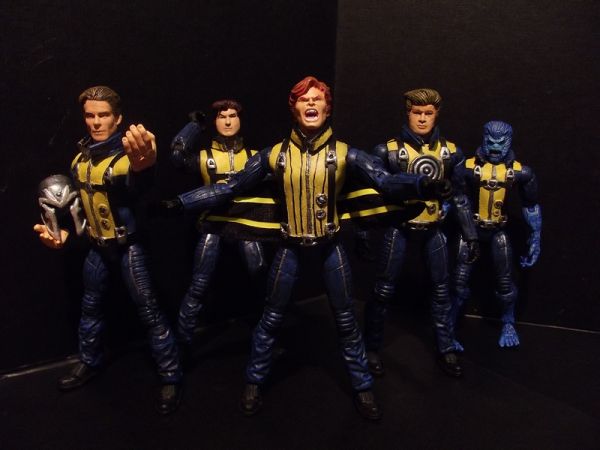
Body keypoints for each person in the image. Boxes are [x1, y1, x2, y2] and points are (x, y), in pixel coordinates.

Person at [162, 76, 447, 421]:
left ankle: (362, 385)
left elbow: (385, 181)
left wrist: (422, 184)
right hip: (290, 245)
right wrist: (182, 203)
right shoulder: (274, 155)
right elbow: (230, 188)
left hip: (330, 244)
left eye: (317, 98)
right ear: (294, 108)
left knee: (345, 318)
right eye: (303, 99)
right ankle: (254, 381)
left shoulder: (346, 153)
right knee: (271, 316)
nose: (310, 103)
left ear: (327, 108)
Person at [33, 86, 182, 414]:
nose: (96, 122)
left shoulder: (126, 160)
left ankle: (171, 374)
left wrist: (145, 165)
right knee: (90, 306)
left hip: (129, 247)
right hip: (97, 247)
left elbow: (139, 184)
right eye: (90, 115)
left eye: (103, 115)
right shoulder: (80, 161)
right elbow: (77, 210)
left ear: (118, 118)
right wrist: (62, 235)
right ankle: (89, 360)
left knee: (150, 311)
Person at [363, 88, 479, 378]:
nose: (423, 118)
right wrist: (363, 232)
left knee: (441, 290)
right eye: (417, 112)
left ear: (437, 114)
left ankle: (446, 347)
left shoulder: (450, 152)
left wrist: (471, 234)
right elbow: (369, 196)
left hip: (433, 227)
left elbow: (460, 197)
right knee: (383, 290)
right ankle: (371, 347)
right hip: (399, 227)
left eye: (428, 113)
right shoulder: (388, 151)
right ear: (408, 113)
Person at [170, 100, 266, 353]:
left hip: (246, 224)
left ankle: (265, 339)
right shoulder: (205, 157)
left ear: (240, 119)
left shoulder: (254, 157)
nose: (227, 121)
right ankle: (182, 346)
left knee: (260, 277)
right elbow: (177, 156)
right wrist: (194, 126)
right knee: (199, 284)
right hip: (212, 224)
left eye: (232, 115)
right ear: (214, 121)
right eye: (222, 116)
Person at [452, 120, 541, 347]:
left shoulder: (520, 172)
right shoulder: (467, 167)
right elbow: (453, 197)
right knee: (458, 283)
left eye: (500, 143)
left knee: (505, 282)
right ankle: (448, 330)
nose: (494, 147)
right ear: (483, 138)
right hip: (470, 231)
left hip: (498, 231)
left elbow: (531, 205)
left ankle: (508, 323)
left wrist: (536, 235)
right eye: (490, 141)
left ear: (509, 142)